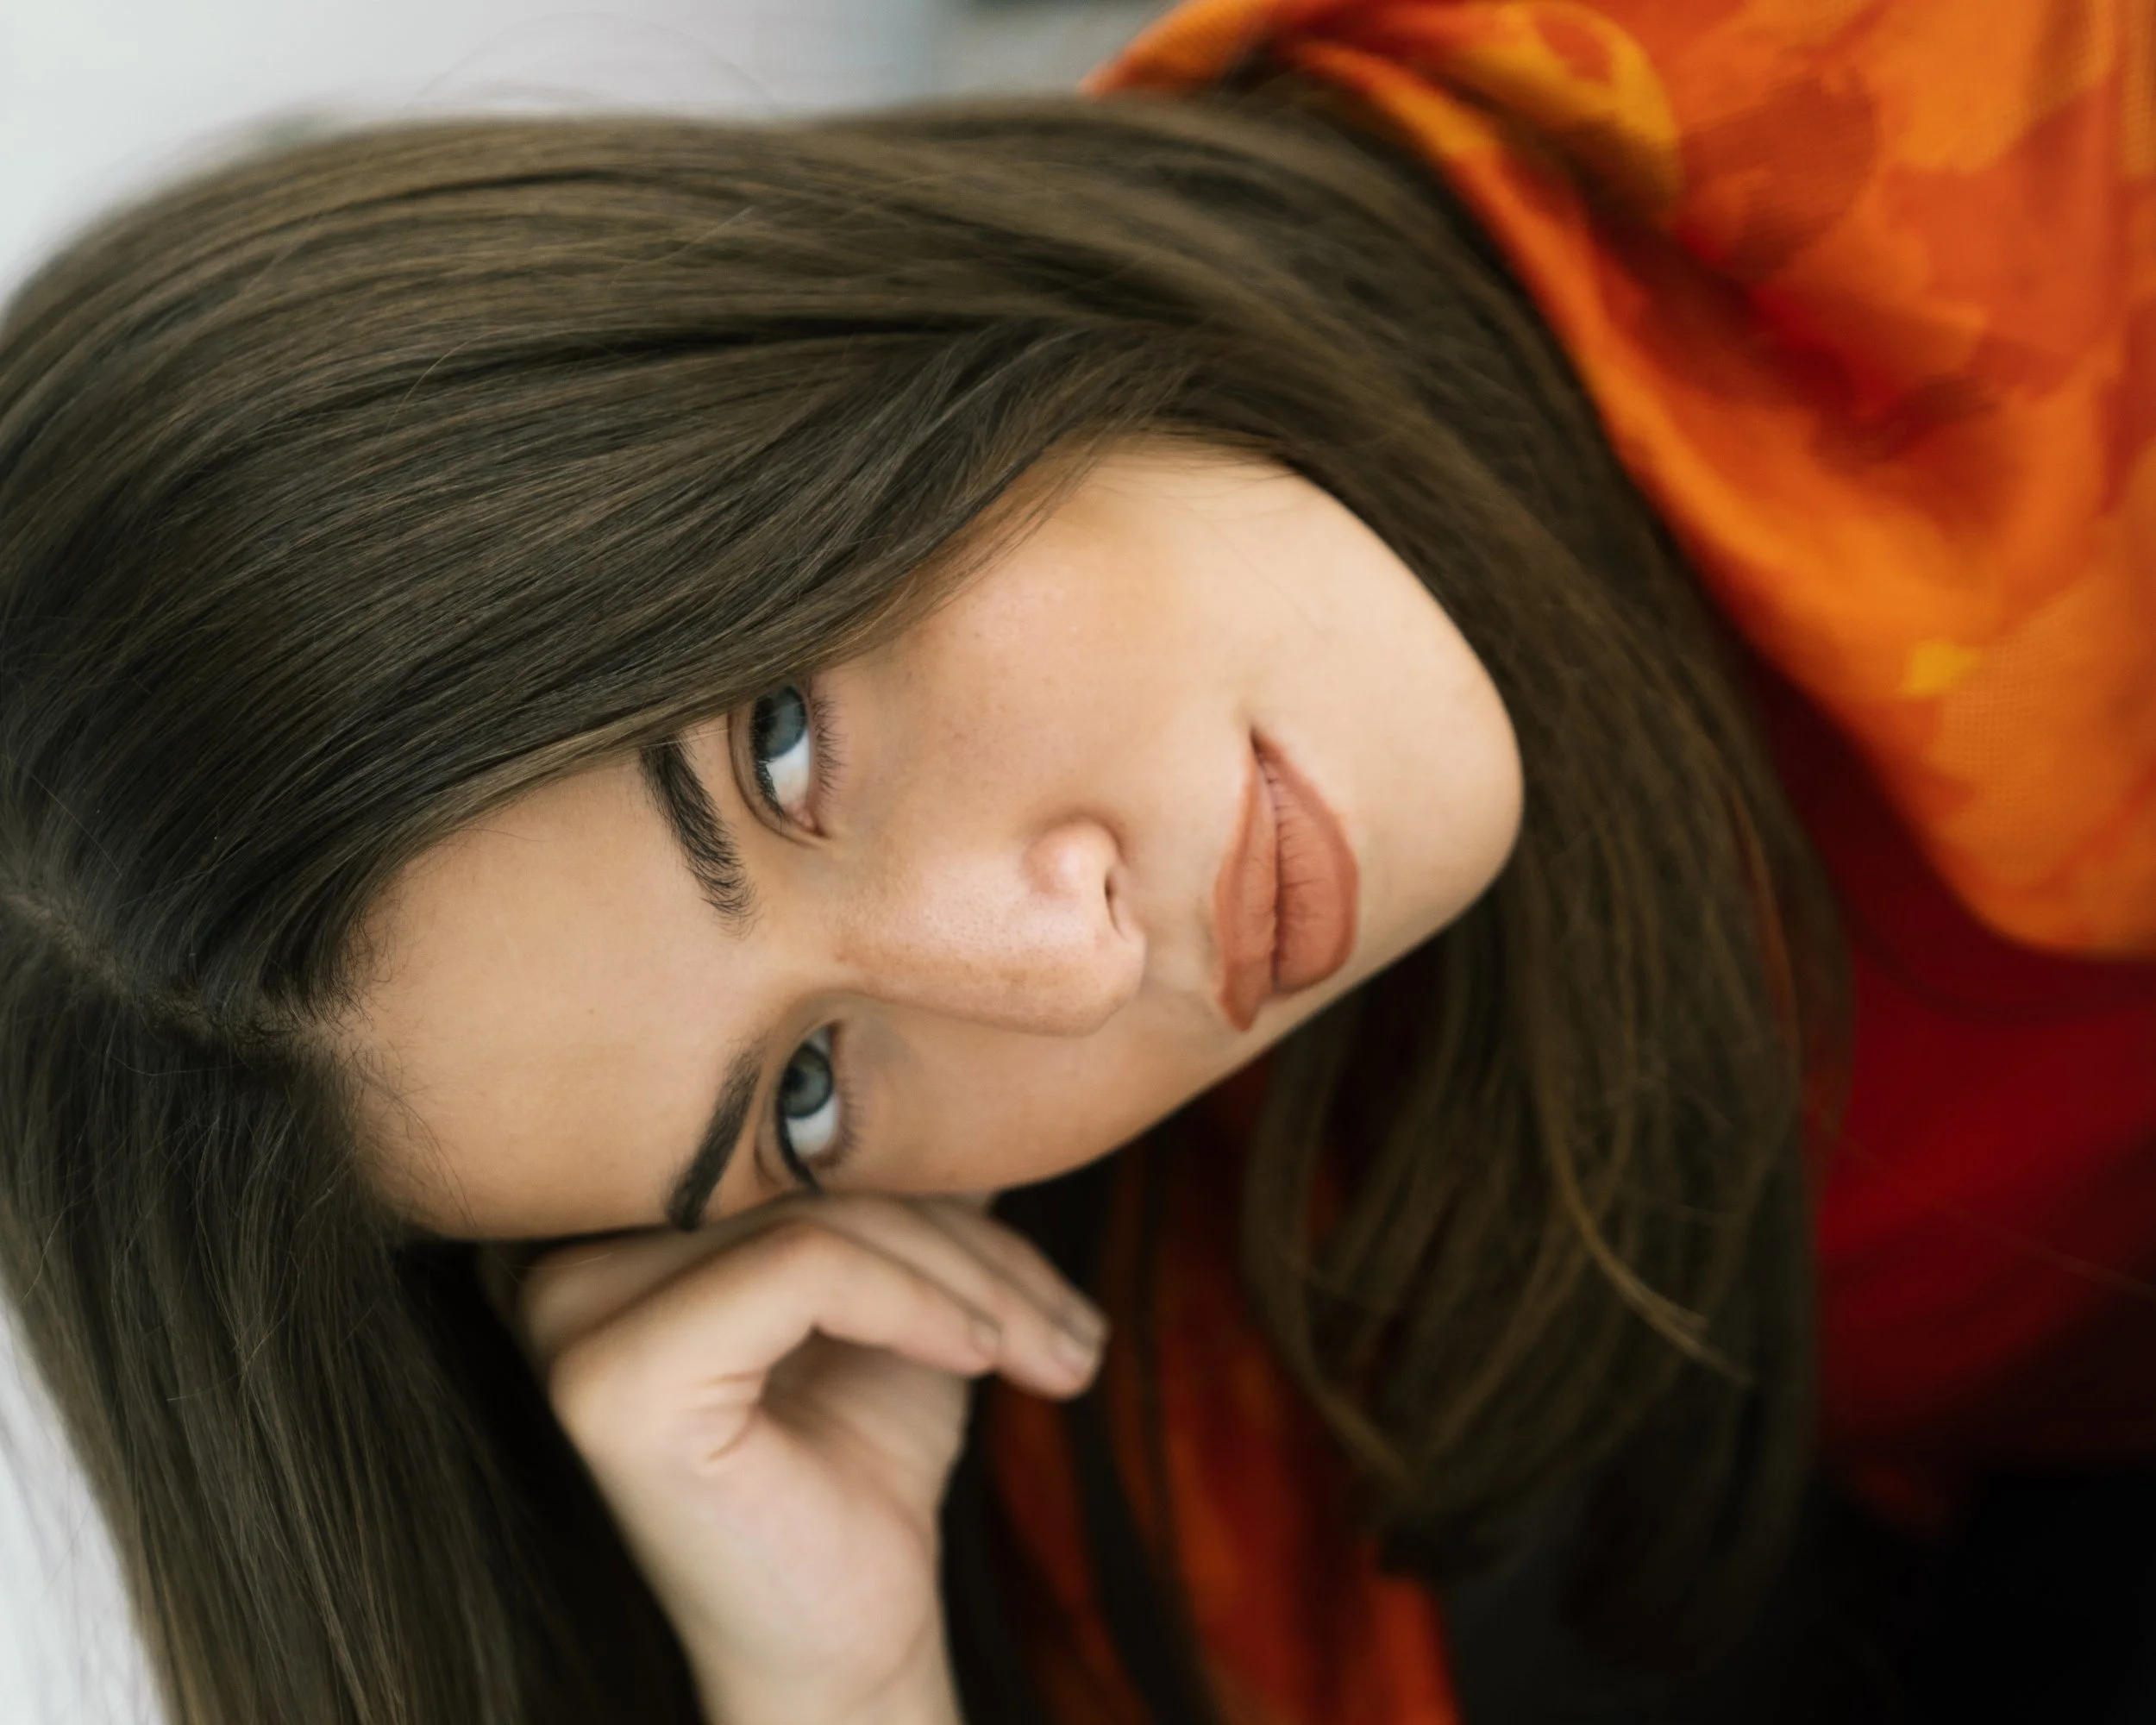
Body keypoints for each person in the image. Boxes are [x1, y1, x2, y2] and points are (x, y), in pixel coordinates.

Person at [1, 2, 2150, 1722]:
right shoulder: (1183, 1380)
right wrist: (831, 1680)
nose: (1050, 972)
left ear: (770, 346)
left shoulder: (1928, 87)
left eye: (774, 746)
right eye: (807, 1092)